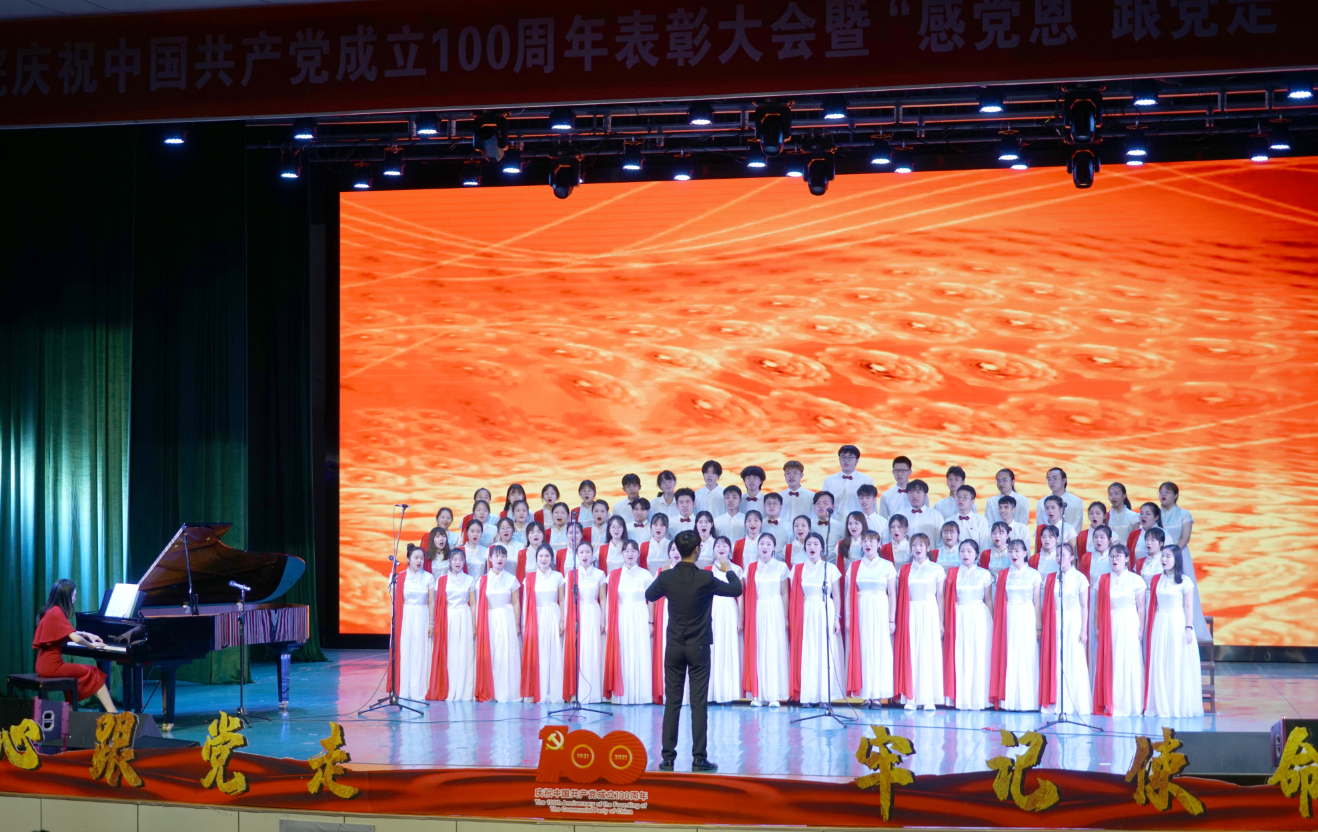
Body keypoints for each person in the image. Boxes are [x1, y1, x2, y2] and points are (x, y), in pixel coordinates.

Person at [645, 530, 743, 773]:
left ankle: (668, 758)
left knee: (673, 702)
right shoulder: (705, 577)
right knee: (698, 703)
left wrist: (664, 571)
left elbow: (649, 594)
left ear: (678, 550)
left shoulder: (667, 577)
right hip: (699, 647)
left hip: (674, 646)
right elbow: (735, 589)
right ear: (698, 549)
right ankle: (699, 758)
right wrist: (729, 569)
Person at [32, 580, 117, 712]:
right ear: (66, 596)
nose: (74, 599)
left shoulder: (51, 611)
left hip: (43, 664)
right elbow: (75, 638)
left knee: (75, 676)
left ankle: (70, 711)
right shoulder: (57, 612)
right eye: (73, 595)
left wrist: (87, 634)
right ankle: (113, 712)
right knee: (94, 672)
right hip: (52, 666)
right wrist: (91, 645)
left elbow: (68, 632)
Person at [1143, 545, 1204, 718]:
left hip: (1177, 622)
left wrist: (1188, 628)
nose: (1163, 559)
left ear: (1176, 559)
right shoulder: (1157, 579)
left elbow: (1189, 607)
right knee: (1161, 662)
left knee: (1176, 662)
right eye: (1162, 556)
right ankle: (1161, 704)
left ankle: (1176, 704)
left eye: (1168, 556)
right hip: (1161, 622)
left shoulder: (1185, 581)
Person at [788, 532, 845, 706]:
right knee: (808, 650)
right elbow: (794, 595)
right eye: (809, 544)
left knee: (824, 651)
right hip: (805, 611)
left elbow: (837, 595)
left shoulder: (830, 568)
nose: (812, 547)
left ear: (822, 547)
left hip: (825, 610)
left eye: (815, 544)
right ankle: (808, 695)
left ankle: (824, 696)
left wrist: (836, 618)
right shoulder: (797, 569)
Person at [1091, 543, 1146, 717]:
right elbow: (1097, 608)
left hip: (1129, 622)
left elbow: (1141, 607)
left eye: (1118, 556)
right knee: (1111, 659)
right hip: (1110, 622)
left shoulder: (1136, 580)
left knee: (1128, 660)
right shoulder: (1102, 580)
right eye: (1112, 556)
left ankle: (1130, 703)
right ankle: (1111, 701)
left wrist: (1141, 629)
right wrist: (1097, 627)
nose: (1114, 559)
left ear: (1127, 559)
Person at [893, 532, 946, 711]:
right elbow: (900, 595)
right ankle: (911, 697)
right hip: (910, 611)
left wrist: (941, 621)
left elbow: (940, 596)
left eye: (921, 545)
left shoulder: (936, 569)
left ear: (928, 548)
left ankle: (929, 697)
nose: (917, 548)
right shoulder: (904, 569)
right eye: (914, 545)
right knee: (912, 652)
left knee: (929, 652)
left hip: (930, 611)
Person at [989, 539, 1042, 711]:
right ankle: (1010, 700)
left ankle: (1028, 700)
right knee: (1010, 653)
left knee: (1027, 654)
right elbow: (1000, 600)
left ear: (1025, 553)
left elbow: (1036, 602)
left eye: (1018, 551)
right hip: (1010, 615)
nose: (1014, 554)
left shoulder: (1034, 574)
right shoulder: (1003, 574)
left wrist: (1039, 625)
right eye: (1011, 551)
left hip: (1027, 615)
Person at [846, 530, 897, 706]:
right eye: (865, 541)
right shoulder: (855, 566)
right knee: (864, 648)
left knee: (879, 649)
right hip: (861, 609)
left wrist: (891, 619)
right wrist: (848, 616)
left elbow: (892, 594)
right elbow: (849, 593)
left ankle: (878, 695)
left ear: (878, 544)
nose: (868, 544)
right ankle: (866, 694)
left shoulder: (887, 565)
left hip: (881, 609)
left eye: (872, 541)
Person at [1040, 544, 1090, 716]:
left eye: (1063, 555)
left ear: (1072, 557)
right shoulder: (1052, 578)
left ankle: (1074, 702)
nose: (1059, 558)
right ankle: (1056, 700)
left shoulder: (1080, 578)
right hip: (1055, 620)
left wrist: (1083, 630)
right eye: (1057, 555)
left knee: (1072, 657)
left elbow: (1084, 606)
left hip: (1073, 620)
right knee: (1056, 658)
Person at [604, 540, 655, 705]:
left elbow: (652, 600)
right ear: (622, 554)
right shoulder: (614, 575)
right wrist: (608, 621)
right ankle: (622, 694)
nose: (630, 554)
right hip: (621, 616)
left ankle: (641, 694)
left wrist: (651, 622)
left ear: (638, 554)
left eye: (634, 551)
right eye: (627, 551)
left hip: (640, 614)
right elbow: (609, 601)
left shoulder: (645, 575)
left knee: (640, 651)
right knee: (623, 651)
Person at [944, 539, 993, 711]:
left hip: (979, 616)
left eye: (969, 551)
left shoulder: (984, 574)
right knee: (961, 653)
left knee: (979, 655)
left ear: (977, 554)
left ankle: (979, 698)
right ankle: (961, 697)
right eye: (962, 551)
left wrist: (992, 622)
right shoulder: (952, 573)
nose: (965, 554)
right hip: (959, 616)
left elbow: (988, 600)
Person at [1158, 482, 1209, 642]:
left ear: (1176, 495)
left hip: (1179, 555)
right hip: (1160, 558)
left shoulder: (1184, 514)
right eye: (1160, 492)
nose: (1163, 495)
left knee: (1183, 591)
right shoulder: (1156, 514)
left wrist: (1172, 554)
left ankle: (1188, 628)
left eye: (1167, 492)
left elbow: (1185, 538)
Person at [744, 533, 790, 707]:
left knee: (774, 649)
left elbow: (784, 593)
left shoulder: (781, 567)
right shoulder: (751, 567)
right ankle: (759, 694)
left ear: (774, 547)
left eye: (768, 544)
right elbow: (748, 593)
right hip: (758, 609)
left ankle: (774, 695)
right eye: (762, 543)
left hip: (775, 609)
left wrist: (785, 616)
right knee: (759, 649)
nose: (764, 546)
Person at [426, 549, 477, 701]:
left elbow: (473, 603)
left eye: (460, 559)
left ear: (464, 561)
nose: (457, 562)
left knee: (464, 652)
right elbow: (437, 603)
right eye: (454, 559)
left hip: (464, 616)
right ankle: (449, 687)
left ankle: (465, 689)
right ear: (449, 561)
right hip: (448, 617)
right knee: (451, 652)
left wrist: (474, 624)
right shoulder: (442, 580)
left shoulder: (470, 579)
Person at [474, 546, 521, 703]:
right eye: (496, 556)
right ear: (490, 559)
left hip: (507, 619)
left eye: (503, 556)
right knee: (492, 653)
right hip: (489, 619)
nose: (499, 559)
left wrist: (517, 623)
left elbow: (516, 602)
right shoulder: (482, 580)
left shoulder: (512, 579)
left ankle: (508, 690)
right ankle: (490, 690)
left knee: (507, 653)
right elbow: (478, 604)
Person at [389, 545, 436, 701]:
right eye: (415, 558)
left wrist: (431, 624)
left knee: (421, 651)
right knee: (406, 649)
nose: (419, 561)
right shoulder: (400, 577)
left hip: (423, 615)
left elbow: (431, 602)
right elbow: (395, 601)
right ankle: (404, 689)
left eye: (421, 558)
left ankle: (420, 689)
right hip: (407, 616)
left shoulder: (429, 577)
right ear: (408, 559)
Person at [563, 541, 607, 705]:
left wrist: (603, 617)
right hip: (577, 613)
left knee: (594, 649)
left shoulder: (599, 574)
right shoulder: (571, 574)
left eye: (587, 552)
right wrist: (567, 618)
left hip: (594, 612)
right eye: (581, 552)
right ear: (577, 555)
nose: (584, 555)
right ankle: (578, 692)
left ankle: (595, 693)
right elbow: (567, 600)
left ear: (592, 554)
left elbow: (603, 598)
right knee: (579, 650)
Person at [521, 543, 565, 704]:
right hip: (536, 617)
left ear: (551, 558)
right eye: (541, 556)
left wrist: (563, 619)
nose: (544, 559)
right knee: (538, 653)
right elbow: (526, 603)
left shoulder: (558, 576)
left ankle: (555, 692)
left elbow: (562, 600)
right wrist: (526, 624)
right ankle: (538, 691)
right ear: (536, 558)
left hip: (553, 615)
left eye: (547, 556)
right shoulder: (529, 578)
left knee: (555, 653)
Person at [706, 537, 745, 703]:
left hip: (730, 609)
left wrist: (740, 618)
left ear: (730, 549)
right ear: (713, 549)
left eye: (725, 545)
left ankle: (729, 693)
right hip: (713, 610)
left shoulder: (736, 569)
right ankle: (712, 693)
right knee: (713, 649)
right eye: (718, 545)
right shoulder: (708, 570)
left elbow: (740, 595)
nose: (721, 548)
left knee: (729, 647)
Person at [823, 444, 873, 518]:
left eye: (850, 457)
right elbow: (824, 504)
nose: (846, 460)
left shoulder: (866, 480)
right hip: (835, 522)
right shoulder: (829, 480)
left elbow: (872, 505)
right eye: (843, 457)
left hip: (859, 522)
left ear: (857, 460)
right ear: (839, 459)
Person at [1036, 467, 1083, 532]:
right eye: (1049, 479)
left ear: (1064, 480)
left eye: (1055, 479)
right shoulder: (1041, 502)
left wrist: (1067, 536)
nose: (1051, 482)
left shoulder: (1076, 501)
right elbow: (1040, 527)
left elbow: (1077, 527)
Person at [953, 485, 990, 552]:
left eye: (965, 497)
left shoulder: (981, 521)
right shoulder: (949, 521)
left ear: (972, 501)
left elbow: (984, 545)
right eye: (958, 497)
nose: (960, 500)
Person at [879, 456, 915, 524]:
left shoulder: (919, 494)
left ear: (910, 472)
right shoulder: (886, 495)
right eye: (896, 471)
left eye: (903, 471)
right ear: (893, 472)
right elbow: (882, 520)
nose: (899, 474)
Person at [1128, 503, 1164, 567]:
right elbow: (1128, 558)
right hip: (1136, 571)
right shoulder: (1133, 535)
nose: (1143, 516)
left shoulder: (1164, 534)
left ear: (1156, 517)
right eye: (1141, 513)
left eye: (1148, 514)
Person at [761, 493, 790, 559]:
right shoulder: (759, 525)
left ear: (781, 507)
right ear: (764, 507)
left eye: (775, 503)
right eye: (768, 503)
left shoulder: (789, 526)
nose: (771, 506)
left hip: (783, 561)